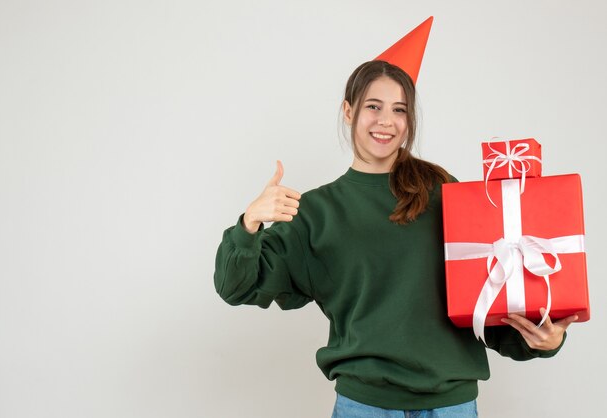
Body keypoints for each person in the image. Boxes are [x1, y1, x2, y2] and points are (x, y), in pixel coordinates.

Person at [213, 17, 576, 418]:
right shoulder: (314, 212)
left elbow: (486, 297)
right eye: (373, 106)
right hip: (364, 406)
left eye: (399, 110)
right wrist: (249, 224)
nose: (386, 121)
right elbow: (235, 287)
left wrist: (541, 338)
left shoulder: (443, 190)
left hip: (451, 405)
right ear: (348, 112)